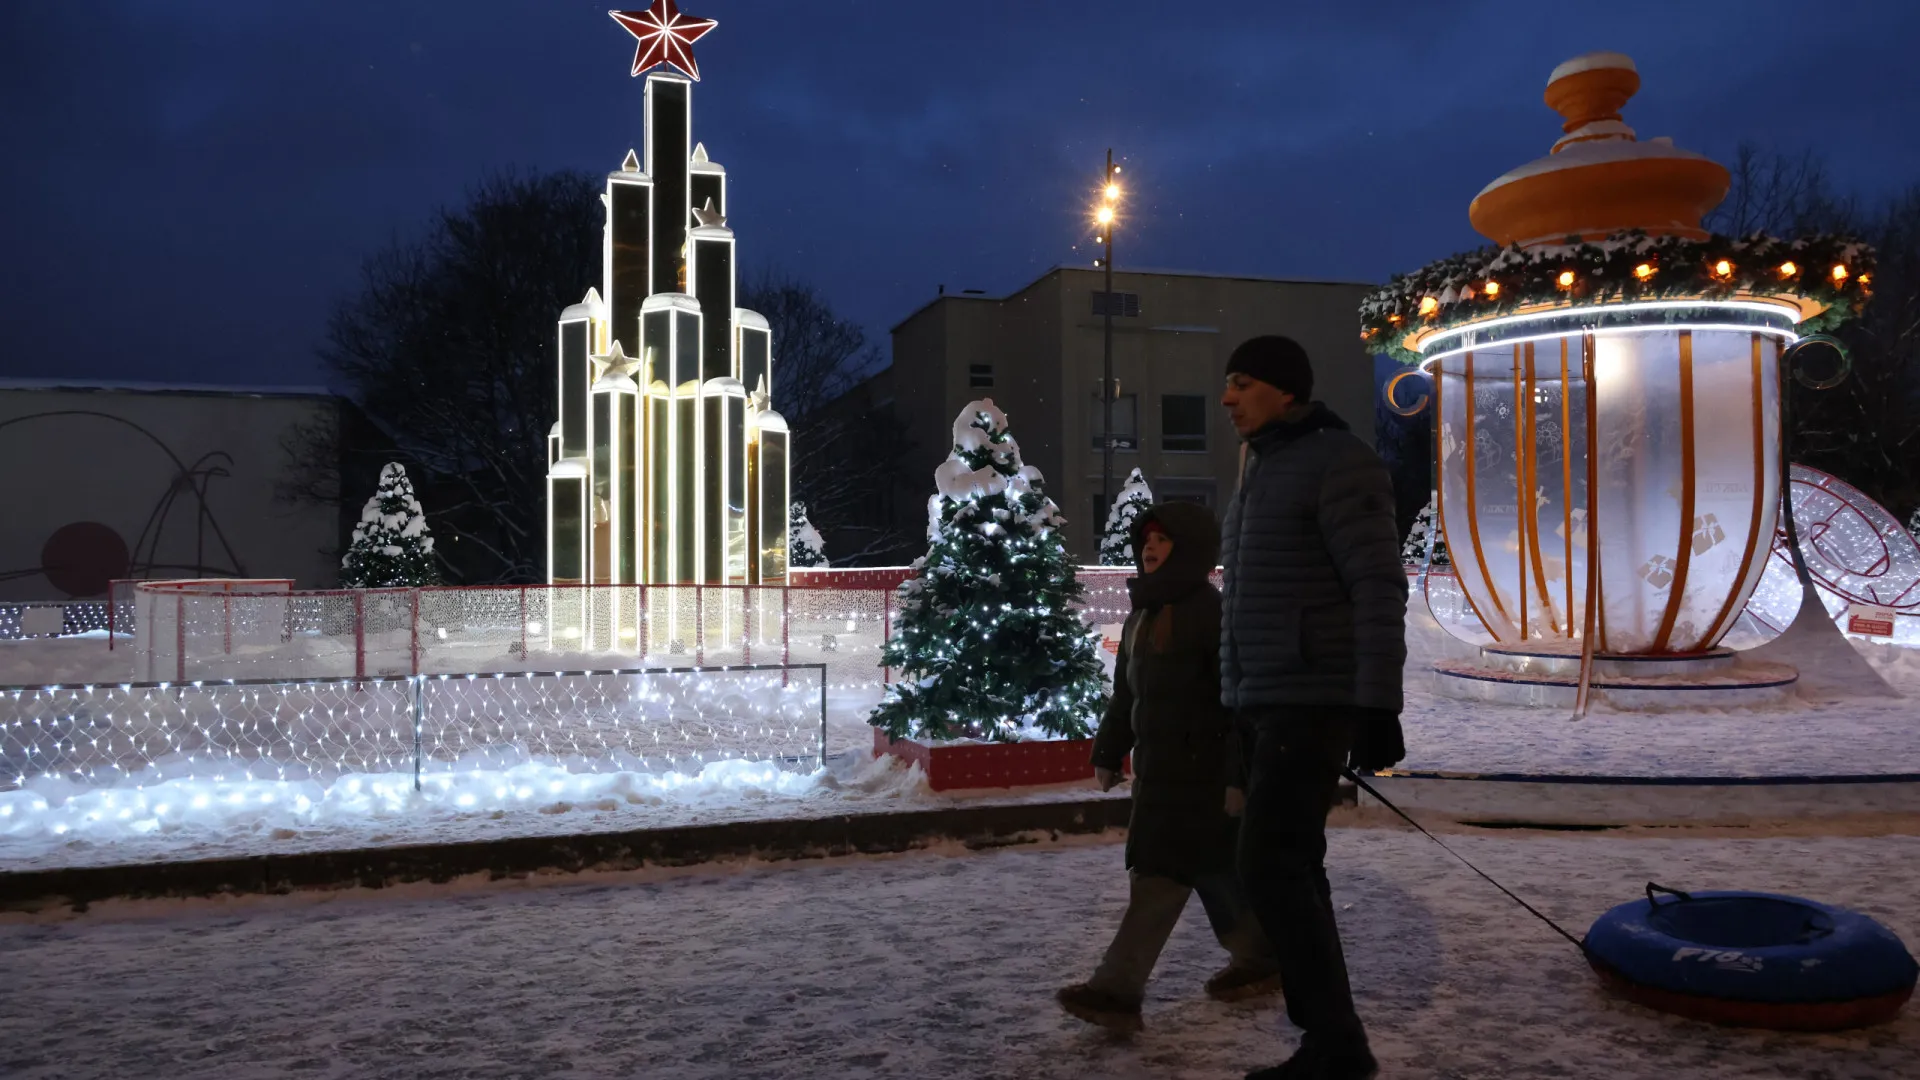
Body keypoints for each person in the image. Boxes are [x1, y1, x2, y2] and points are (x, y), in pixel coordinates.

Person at [1219, 335, 1407, 1080]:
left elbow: (1376, 583)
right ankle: (1334, 1041)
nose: (1228, 398)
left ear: (1285, 391)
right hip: (1269, 699)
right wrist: (1235, 699)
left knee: (1267, 864)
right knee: (1294, 865)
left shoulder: (1339, 459)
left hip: (1312, 697)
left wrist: (1375, 704)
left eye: (1242, 383)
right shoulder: (1263, 467)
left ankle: (1334, 1041)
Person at [1056, 501, 1279, 1033]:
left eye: (1162, 539)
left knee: (1159, 876)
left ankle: (1116, 990)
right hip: (1162, 775)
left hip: (1199, 780)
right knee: (1214, 873)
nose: (1149, 548)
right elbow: (1125, 696)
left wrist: (1236, 776)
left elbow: (1237, 704)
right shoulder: (1142, 615)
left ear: (1192, 548)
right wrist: (1110, 751)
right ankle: (1263, 957)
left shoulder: (1208, 613)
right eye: (1146, 540)